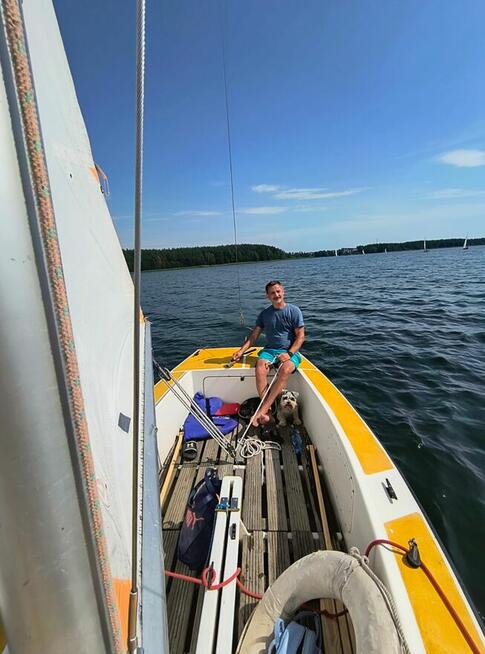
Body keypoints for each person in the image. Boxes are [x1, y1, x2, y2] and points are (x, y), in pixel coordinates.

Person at [231, 280, 305, 426]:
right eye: (272, 293)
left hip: (290, 351)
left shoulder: (294, 311)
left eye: (278, 291)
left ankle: (262, 410)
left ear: (283, 292)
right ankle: (269, 412)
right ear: (267, 296)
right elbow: (254, 336)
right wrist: (240, 351)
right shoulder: (264, 314)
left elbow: (301, 337)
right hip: (270, 351)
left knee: (285, 369)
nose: (276, 295)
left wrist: (289, 354)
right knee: (260, 368)